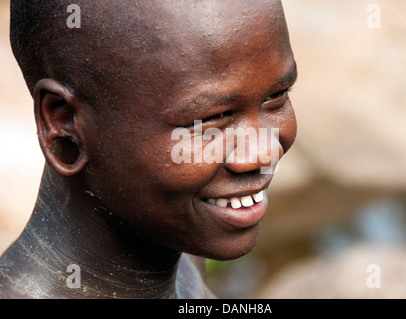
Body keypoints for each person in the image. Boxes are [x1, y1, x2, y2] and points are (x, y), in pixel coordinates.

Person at [0, 0, 298, 298]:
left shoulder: (181, 253)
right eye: (210, 118)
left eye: (277, 95)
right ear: (64, 123)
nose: (264, 152)